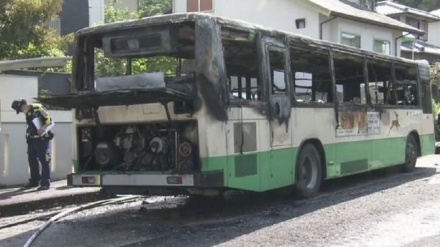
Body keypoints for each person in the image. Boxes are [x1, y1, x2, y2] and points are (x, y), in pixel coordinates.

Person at [11, 99, 54, 190]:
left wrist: (43, 128)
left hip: (42, 139)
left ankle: (45, 183)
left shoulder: (37, 108)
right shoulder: (27, 112)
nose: (22, 111)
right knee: (32, 160)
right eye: (20, 111)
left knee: (44, 160)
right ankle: (34, 181)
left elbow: (49, 119)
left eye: (21, 109)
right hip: (32, 140)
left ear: (24, 104)